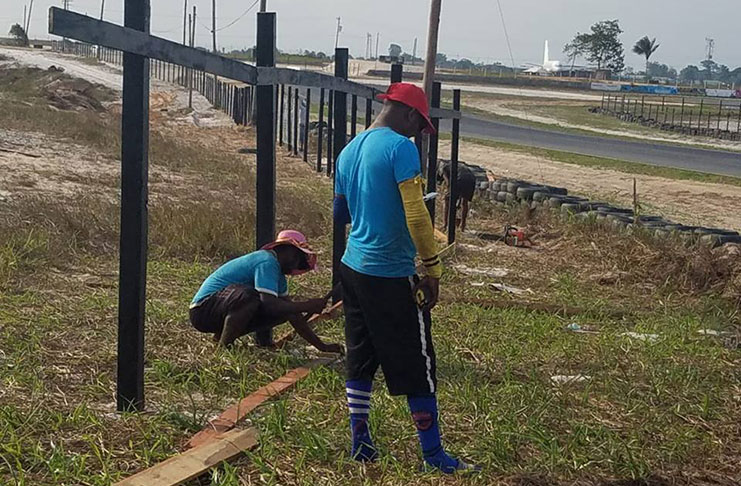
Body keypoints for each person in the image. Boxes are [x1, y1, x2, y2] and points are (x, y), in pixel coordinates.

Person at [333, 83, 479, 474]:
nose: (419, 135)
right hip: (389, 272)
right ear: (410, 115)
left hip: (354, 267)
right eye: (421, 126)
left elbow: (339, 214)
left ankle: (360, 442)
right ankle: (434, 457)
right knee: (417, 362)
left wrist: (373, 207)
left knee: (360, 356)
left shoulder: (349, 150)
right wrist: (432, 270)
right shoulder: (401, 148)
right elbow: (417, 216)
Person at [189, 229, 342, 352]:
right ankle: (224, 347)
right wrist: (306, 305)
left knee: (284, 309)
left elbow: (293, 314)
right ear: (288, 250)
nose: (296, 265)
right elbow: (268, 303)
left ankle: (221, 337)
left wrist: (323, 347)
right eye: (298, 258)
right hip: (202, 310)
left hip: (217, 309)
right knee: (249, 297)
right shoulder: (266, 261)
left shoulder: (278, 276)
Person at [439, 161, 476, 232]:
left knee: (447, 200)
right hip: (471, 178)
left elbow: (448, 183)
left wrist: (447, 192)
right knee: (464, 202)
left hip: (460, 178)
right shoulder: (456, 165)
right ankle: (463, 226)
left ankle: (445, 225)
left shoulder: (444, 168)